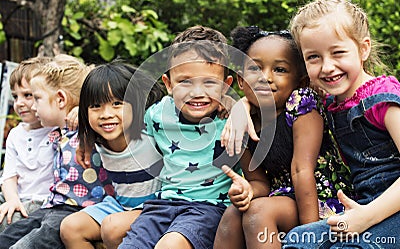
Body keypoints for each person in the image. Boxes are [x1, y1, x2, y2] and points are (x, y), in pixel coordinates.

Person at [213, 26, 353, 249]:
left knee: (258, 212)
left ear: (300, 81)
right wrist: (247, 191)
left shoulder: (300, 104)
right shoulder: (243, 123)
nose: (265, 78)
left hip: (319, 201)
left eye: (279, 69)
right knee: (233, 213)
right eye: (255, 69)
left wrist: (311, 236)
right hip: (282, 199)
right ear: (241, 81)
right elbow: (259, 182)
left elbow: (301, 170)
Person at [278, 0, 400, 248]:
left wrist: (367, 217)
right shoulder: (330, 99)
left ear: (363, 48)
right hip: (363, 204)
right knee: (299, 240)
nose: (327, 67)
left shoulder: (383, 99)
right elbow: (271, 97)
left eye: (338, 53)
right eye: (313, 57)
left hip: (391, 206)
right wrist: (242, 107)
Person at [118, 25, 240, 249]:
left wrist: (237, 105)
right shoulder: (157, 114)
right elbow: (118, 129)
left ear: (225, 86)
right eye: (185, 81)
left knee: (170, 246)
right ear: (168, 84)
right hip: (163, 204)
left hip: (210, 208)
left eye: (210, 82)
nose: (197, 92)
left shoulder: (232, 119)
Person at [0, 54, 114, 249]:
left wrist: (83, 110)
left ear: (61, 99)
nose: (32, 107)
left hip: (77, 209)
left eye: (35, 98)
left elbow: (109, 110)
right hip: (52, 207)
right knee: (6, 239)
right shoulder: (56, 133)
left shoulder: (91, 127)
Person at [60, 60, 164, 249]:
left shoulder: (150, 131)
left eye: (117, 103)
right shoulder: (96, 140)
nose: (106, 114)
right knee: (70, 227)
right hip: (121, 205)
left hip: (159, 207)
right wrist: (84, 134)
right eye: (96, 106)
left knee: (112, 228)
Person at [0, 57, 54, 232]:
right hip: (15, 196)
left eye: (28, 95)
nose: (19, 103)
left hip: (43, 202)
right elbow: (9, 175)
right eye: (15, 96)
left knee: (8, 223)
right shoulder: (16, 134)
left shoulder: (59, 130)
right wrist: (12, 200)